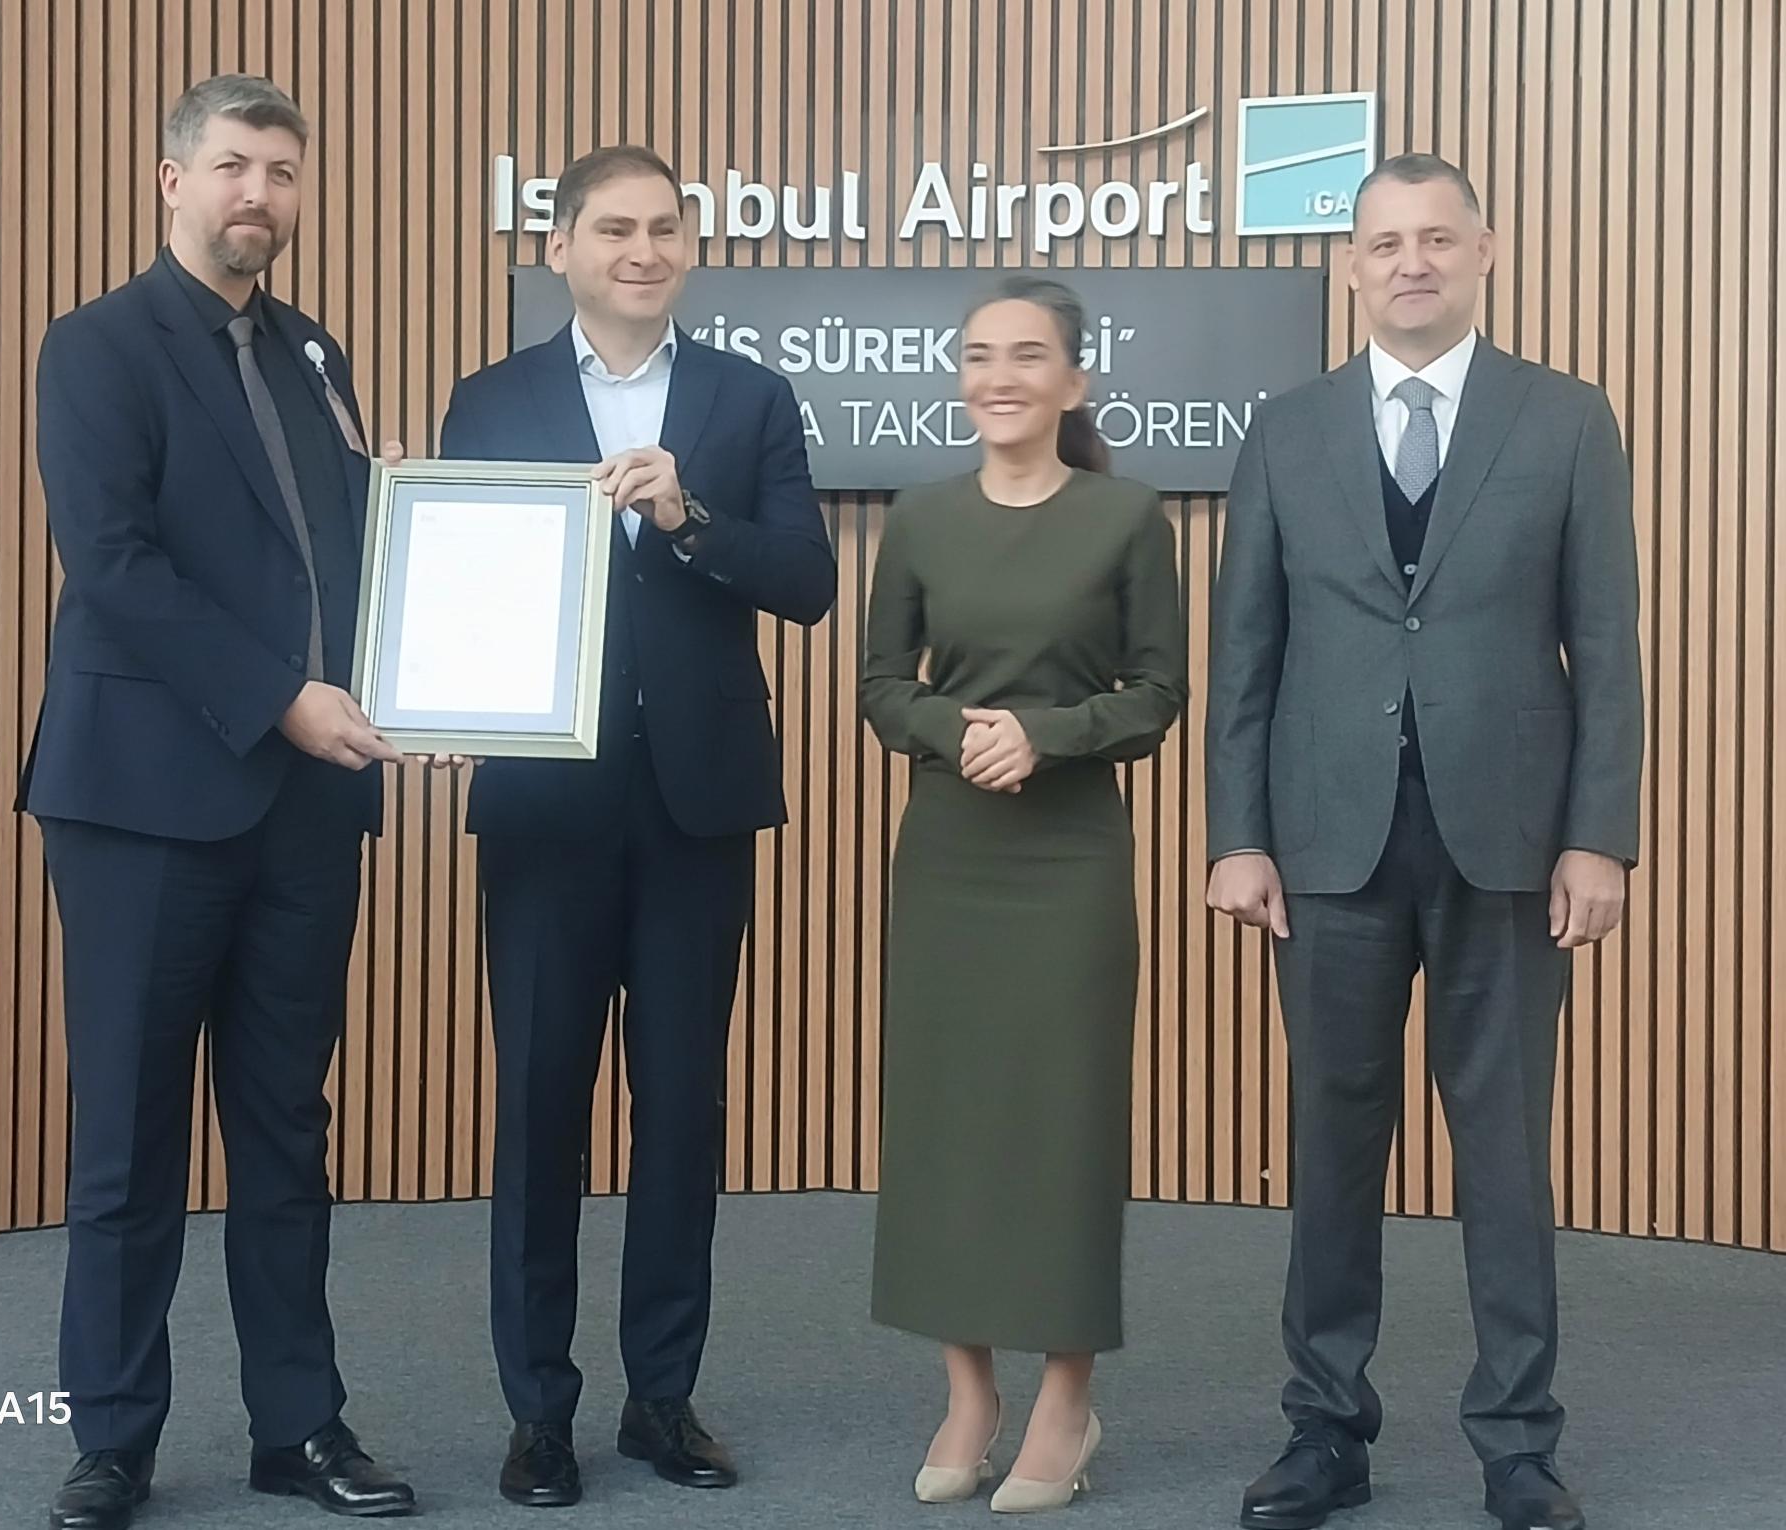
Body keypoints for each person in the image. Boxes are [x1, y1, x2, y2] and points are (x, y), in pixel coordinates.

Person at [1205, 154, 1643, 1530]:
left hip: (1508, 841)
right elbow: (1245, 655)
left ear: (1485, 251)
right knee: (1333, 1146)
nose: (1412, 262)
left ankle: (1517, 1444)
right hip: (1325, 846)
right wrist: (1237, 836)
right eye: (1386, 242)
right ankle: (1324, 1429)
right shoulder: (1285, 430)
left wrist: (1599, 837)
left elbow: (1608, 645)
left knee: (1504, 1152)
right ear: (1351, 266)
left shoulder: (1566, 419)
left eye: (1437, 239)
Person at [21, 74, 423, 1529]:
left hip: (304, 811)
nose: (261, 194)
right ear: (172, 181)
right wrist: (282, 698)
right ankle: (114, 1440)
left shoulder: (315, 352)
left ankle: (298, 1428)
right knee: (131, 1138)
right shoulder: (96, 347)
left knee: (284, 1130)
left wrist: (425, 617)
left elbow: (334, 550)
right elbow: (116, 566)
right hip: (144, 805)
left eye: (284, 172)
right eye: (236, 165)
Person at [435, 144, 835, 1508]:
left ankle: (663, 1398)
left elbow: (808, 581)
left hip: (695, 808)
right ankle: (539, 1413)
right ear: (561, 247)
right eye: (615, 228)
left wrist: (687, 513)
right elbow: (463, 585)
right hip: (543, 812)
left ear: (690, 247)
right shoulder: (492, 399)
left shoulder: (747, 395)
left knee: (679, 1112)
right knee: (539, 1112)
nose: (643, 250)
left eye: (665, 228)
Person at [860, 275, 1189, 1514]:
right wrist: (959, 732)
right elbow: (882, 686)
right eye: (981, 355)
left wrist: (1044, 736)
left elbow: (1158, 693)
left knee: (1060, 1123)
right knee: (947, 1119)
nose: (1000, 376)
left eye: (1028, 355)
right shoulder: (922, 515)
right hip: (951, 852)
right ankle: (968, 1395)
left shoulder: (1127, 517)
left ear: (1073, 381)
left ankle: (1065, 1400)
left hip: (1069, 856)